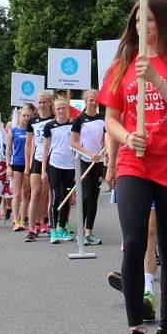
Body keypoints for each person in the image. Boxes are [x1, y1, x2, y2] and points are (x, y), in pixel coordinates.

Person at [99, 0, 167, 334]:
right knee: (133, 240)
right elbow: (111, 119)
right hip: (136, 163)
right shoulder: (121, 64)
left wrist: (158, 81)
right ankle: (134, 325)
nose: (140, 25)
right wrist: (127, 138)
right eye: (135, 19)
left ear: (162, 21)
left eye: (147, 18)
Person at [70, 88, 106, 245]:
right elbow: (73, 142)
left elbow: (105, 141)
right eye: (90, 99)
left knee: (94, 197)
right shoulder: (79, 119)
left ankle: (89, 232)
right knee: (85, 196)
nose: (93, 102)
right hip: (84, 161)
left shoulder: (102, 119)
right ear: (85, 101)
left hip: (97, 163)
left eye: (96, 99)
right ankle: (80, 232)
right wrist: (89, 153)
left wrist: (105, 153)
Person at [41, 98, 76, 244]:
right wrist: (43, 169)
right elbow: (46, 148)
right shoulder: (49, 126)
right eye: (58, 109)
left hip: (70, 166)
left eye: (63, 108)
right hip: (54, 165)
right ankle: (54, 230)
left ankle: (62, 227)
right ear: (54, 110)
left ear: (67, 109)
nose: (61, 111)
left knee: (66, 198)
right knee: (57, 196)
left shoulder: (74, 125)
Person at [24, 91, 54, 242]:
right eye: (39, 103)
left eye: (44, 102)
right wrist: (27, 164)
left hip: (52, 159)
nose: (42, 105)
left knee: (46, 194)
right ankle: (31, 228)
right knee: (35, 193)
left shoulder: (54, 119)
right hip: (36, 159)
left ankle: (44, 223)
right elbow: (29, 144)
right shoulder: (32, 121)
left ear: (50, 103)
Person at [6, 105, 32, 231]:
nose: (26, 118)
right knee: (16, 194)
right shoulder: (14, 131)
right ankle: (15, 219)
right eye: (24, 116)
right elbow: (8, 150)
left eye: (28, 116)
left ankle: (23, 218)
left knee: (25, 193)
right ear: (19, 117)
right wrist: (8, 165)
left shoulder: (30, 131)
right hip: (16, 163)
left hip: (28, 165)